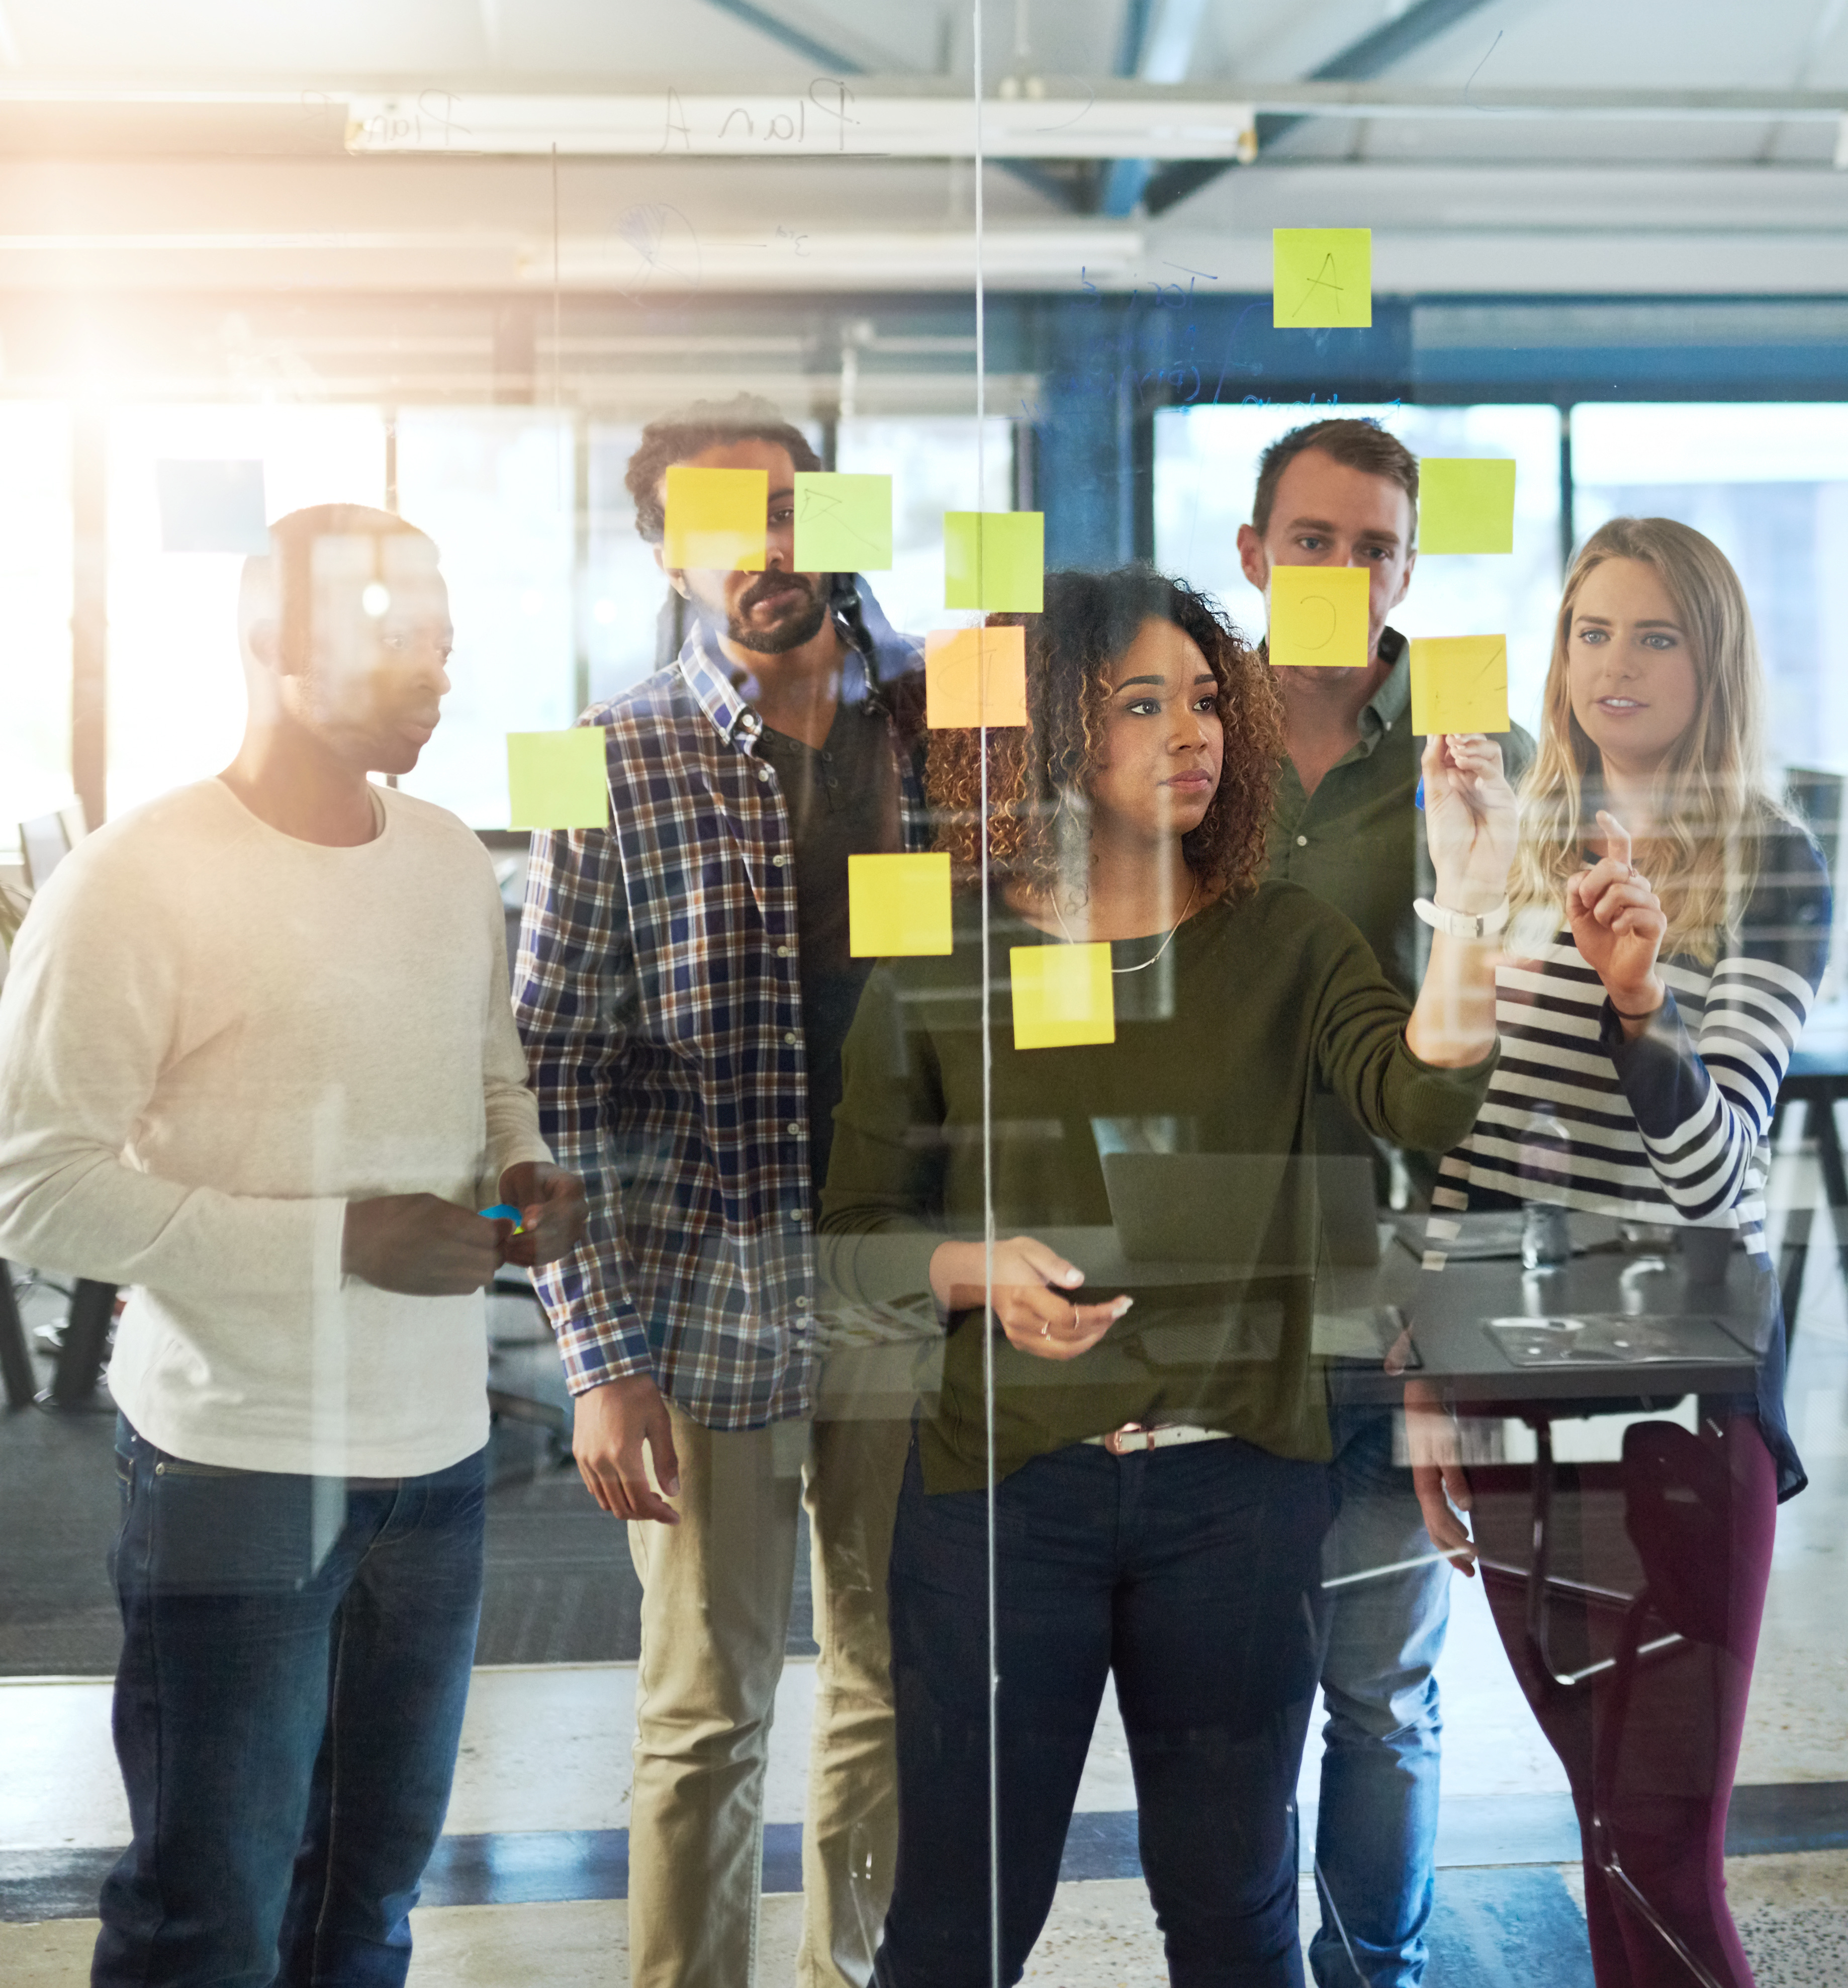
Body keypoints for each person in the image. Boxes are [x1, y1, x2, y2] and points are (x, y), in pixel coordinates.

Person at [817, 567, 1518, 1988]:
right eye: (1141, 703)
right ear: (1051, 736)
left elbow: (1424, 1100)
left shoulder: (1285, 940)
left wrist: (1469, 894)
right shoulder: (946, 956)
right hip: (1004, 1500)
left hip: (1236, 1495)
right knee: (959, 1920)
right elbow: (850, 1240)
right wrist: (973, 1267)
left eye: (1204, 698)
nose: (1190, 730)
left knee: (1232, 1907)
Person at [0, 504, 585, 1987]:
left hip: (437, 1461)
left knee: (368, 1911)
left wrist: (522, 1160)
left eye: (444, 637)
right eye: (396, 635)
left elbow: (487, 1058)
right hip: (235, 1470)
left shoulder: (449, 857)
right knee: (209, 1917)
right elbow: (37, 1192)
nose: (435, 668)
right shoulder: (138, 877)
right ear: (267, 642)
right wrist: (345, 1238)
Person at [515, 397, 926, 1988]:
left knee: (896, 1678)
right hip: (701, 1295)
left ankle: (853, 1973)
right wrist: (597, 1354)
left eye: (786, 508)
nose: (764, 545)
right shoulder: (603, 757)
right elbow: (545, 1089)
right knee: (704, 1708)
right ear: (666, 558)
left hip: (903, 1275)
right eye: (719, 522)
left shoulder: (942, 734)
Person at [1405, 517, 1831, 1988]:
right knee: (1604, 1830)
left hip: (1674, 1420)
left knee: (1662, 1852)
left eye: (1654, 634)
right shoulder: (1510, 837)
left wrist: (1642, 1011)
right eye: (1591, 630)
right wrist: (1424, 1384)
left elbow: (1717, 1189)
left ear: (1711, 660)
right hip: (1519, 1411)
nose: (1614, 664)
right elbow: (1459, 1142)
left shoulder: (1771, 861)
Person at [1237, 416, 1534, 1988]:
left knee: (1382, 1691)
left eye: (1374, 548)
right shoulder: (1182, 738)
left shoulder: (1473, 743)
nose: (1343, 573)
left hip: (1389, 1304)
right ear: (1252, 554)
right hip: (1203, 1292)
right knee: (1225, 1699)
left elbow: (1514, 1074)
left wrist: (1464, 1334)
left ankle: (1372, 1975)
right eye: (1312, 541)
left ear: (1411, 565)